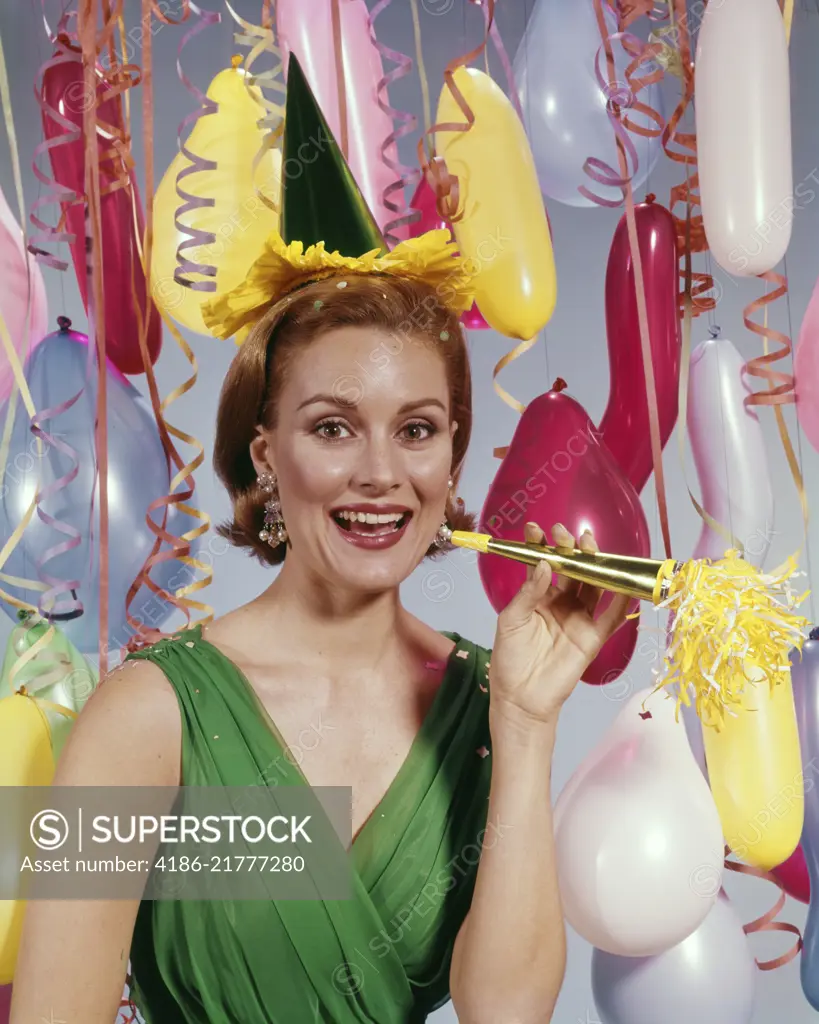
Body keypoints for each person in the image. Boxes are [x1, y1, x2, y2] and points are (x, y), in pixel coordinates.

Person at [10, 55, 629, 1024]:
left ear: (453, 459)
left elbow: (507, 1015)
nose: (381, 470)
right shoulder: (146, 716)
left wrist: (526, 721)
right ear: (267, 455)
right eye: (334, 426)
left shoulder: (480, 705)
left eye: (417, 429)